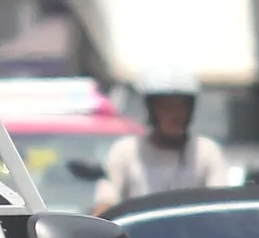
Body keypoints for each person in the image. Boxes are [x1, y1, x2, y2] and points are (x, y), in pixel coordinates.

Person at [92, 70, 229, 214]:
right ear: (151, 110)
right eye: (166, 107)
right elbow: (105, 204)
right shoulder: (125, 151)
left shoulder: (207, 152)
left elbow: (220, 207)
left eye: (181, 107)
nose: (175, 115)